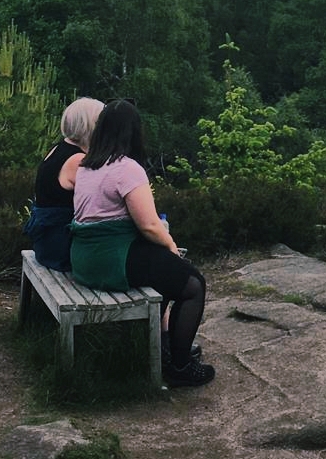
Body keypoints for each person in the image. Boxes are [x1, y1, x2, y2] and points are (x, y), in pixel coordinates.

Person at [70, 100, 215, 388]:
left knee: (165, 275)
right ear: (133, 132)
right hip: (113, 259)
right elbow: (149, 225)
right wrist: (171, 247)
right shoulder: (126, 168)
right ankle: (180, 367)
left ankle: (163, 348)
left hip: (85, 259)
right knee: (193, 285)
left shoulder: (87, 166)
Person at [25, 97, 103, 272]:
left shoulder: (58, 149)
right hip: (61, 246)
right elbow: (99, 202)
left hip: (46, 242)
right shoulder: (78, 160)